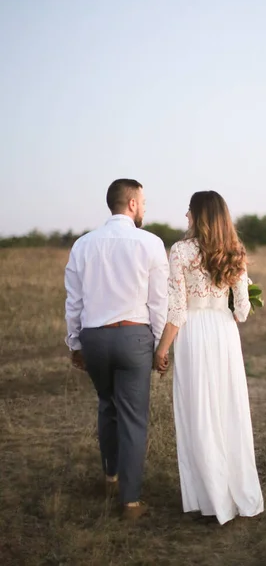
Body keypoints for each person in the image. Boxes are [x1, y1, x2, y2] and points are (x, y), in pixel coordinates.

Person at [154, 190, 264, 525]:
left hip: (194, 333)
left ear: (199, 215)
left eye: (189, 211)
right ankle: (233, 491)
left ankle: (211, 497)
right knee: (227, 408)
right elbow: (243, 311)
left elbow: (176, 309)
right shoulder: (235, 251)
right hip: (224, 333)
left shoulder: (180, 251)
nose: (185, 216)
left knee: (200, 409)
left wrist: (161, 349)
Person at [65, 178, 169, 522]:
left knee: (107, 404)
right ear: (133, 204)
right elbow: (158, 302)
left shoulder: (83, 245)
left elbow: (74, 302)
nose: (145, 207)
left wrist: (75, 343)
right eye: (144, 201)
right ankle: (131, 502)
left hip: (94, 337)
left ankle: (110, 476)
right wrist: (159, 347)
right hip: (134, 338)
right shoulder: (151, 243)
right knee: (134, 418)